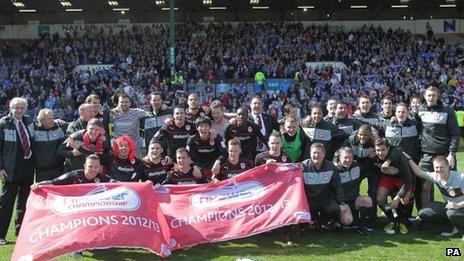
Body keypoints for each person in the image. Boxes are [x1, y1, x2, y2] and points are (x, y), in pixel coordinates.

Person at [416, 86, 460, 207]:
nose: (431, 98)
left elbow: (455, 133)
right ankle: (425, 216)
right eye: (428, 95)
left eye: (433, 95)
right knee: (424, 187)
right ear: (425, 96)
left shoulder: (448, 110)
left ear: (437, 96)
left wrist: (452, 153)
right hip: (427, 155)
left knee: (451, 188)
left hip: (445, 155)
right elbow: (418, 129)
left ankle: (456, 216)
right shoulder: (420, 110)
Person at [0, 97, 35, 244]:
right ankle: (1, 235)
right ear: (10, 108)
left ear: (26, 109)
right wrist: (0, 168)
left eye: (22, 108)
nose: (19, 110)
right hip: (10, 168)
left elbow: (43, 125)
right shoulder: (3, 124)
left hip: (27, 166)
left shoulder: (29, 121)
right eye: (16, 108)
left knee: (24, 201)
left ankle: (21, 232)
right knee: (6, 202)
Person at [406, 155, 464, 242]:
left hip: (460, 207)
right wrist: (409, 158)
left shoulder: (460, 178)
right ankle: (453, 228)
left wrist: (458, 205)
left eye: (442, 167)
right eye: (436, 167)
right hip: (452, 207)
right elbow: (419, 172)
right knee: (424, 213)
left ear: (448, 166)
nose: (439, 170)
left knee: (451, 213)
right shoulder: (436, 176)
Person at [301, 143, 352, 232]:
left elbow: (337, 185)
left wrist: (341, 201)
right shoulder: (303, 167)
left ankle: (321, 221)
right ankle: (307, 224)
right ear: (310, 154)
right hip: (308, 200)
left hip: (324, 199)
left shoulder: (330, 166)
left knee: (335, 208)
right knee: (304, 215)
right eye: (314, 153)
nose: (316, 155)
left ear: (324, 154)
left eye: (319, 153)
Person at [374, 138, 412, 235]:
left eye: (383, 150)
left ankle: (403, 221)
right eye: (378, 150)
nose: (380, 153)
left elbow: (408, 181)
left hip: (402, 179)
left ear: (388, 149)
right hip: (387, 179)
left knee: (405, 199)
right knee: (379, 199)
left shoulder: (399, 158)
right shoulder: (374, 157)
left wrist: (398, 197)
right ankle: (394, 219)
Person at [334, 147, 373, 236]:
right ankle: (336, 220)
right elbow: (330, 191)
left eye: (350, 157)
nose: (348, 160)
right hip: (341, 203)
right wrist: (341, 203)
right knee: (348, 221)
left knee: (367, 200)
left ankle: (364, 226)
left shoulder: (357, 166)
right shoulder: (335, 171)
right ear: (340, 158)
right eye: (345, 157)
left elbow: (369, 168)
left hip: (354, 201)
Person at [30, 154, 112, 188]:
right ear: (84, 166)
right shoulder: (74, 175)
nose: (93, 170)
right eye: (90, 166)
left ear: (100, 168)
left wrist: (125, 186)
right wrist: (38, 184)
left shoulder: (102, 177)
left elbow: (118, 183)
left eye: (96, 167)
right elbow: (53, 182)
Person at [109, 93, 148, 158]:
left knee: (137, 167)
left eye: (126, 102)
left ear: (130, 103)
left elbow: (151, 114)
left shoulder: (137, 112)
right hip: (119, 148)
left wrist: (164, 107)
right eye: (121, 102)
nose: (124, 104)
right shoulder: (113, 113)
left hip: (135, 148)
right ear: (118, 103)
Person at [33, 108, 67, 182]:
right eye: (49, 119)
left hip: (58, 169)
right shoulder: (34, 130)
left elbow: (75, 124)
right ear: (42, 121)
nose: (52, 120)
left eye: (52, 118)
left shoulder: (60, 127)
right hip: (41, 171)